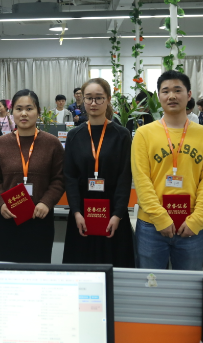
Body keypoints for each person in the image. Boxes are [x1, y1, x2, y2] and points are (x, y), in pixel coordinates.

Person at [131, 70, 203, 270]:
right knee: (151, 283)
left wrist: (197, 220)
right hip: (151, 226)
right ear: (159, 96)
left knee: (189, 285)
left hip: (191, 225)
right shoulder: (144, 134)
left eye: (177, 90)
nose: (171, 96)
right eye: (165, 91)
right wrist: (160, 218)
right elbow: (142, 180)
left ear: (189, 95)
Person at [0, 89, 65, 263]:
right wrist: (1, 203)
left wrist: (46, 202)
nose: (24, 114)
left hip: (40, 218)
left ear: (38, 111)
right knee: (9, 269)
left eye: (29, 108)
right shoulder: (0, 144)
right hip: (9, 218)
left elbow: (59, 178)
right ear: (12, 112)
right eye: (19, 109)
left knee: (39, 269)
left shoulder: (52, 143)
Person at [62, 78, 134, 267]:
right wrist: (76, 212)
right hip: (82, 215)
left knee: (114, 269)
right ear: (82, 100)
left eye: (99, 98)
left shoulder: (122, 135)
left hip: (113, 215)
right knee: (81, 269)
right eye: (89, 98)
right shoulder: (74, 135)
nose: (93, 103)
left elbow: (125, 177)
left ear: (108, 99)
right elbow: (69, 177)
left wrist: (117, 214)